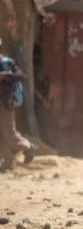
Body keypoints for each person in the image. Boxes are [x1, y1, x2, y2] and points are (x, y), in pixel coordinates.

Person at [0, 37, 34, 170]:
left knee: (9, 132)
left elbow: (22, 76)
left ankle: (28, 147)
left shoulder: (7, 62)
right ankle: (7, 162)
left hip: (5, 103)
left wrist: (5, 75)